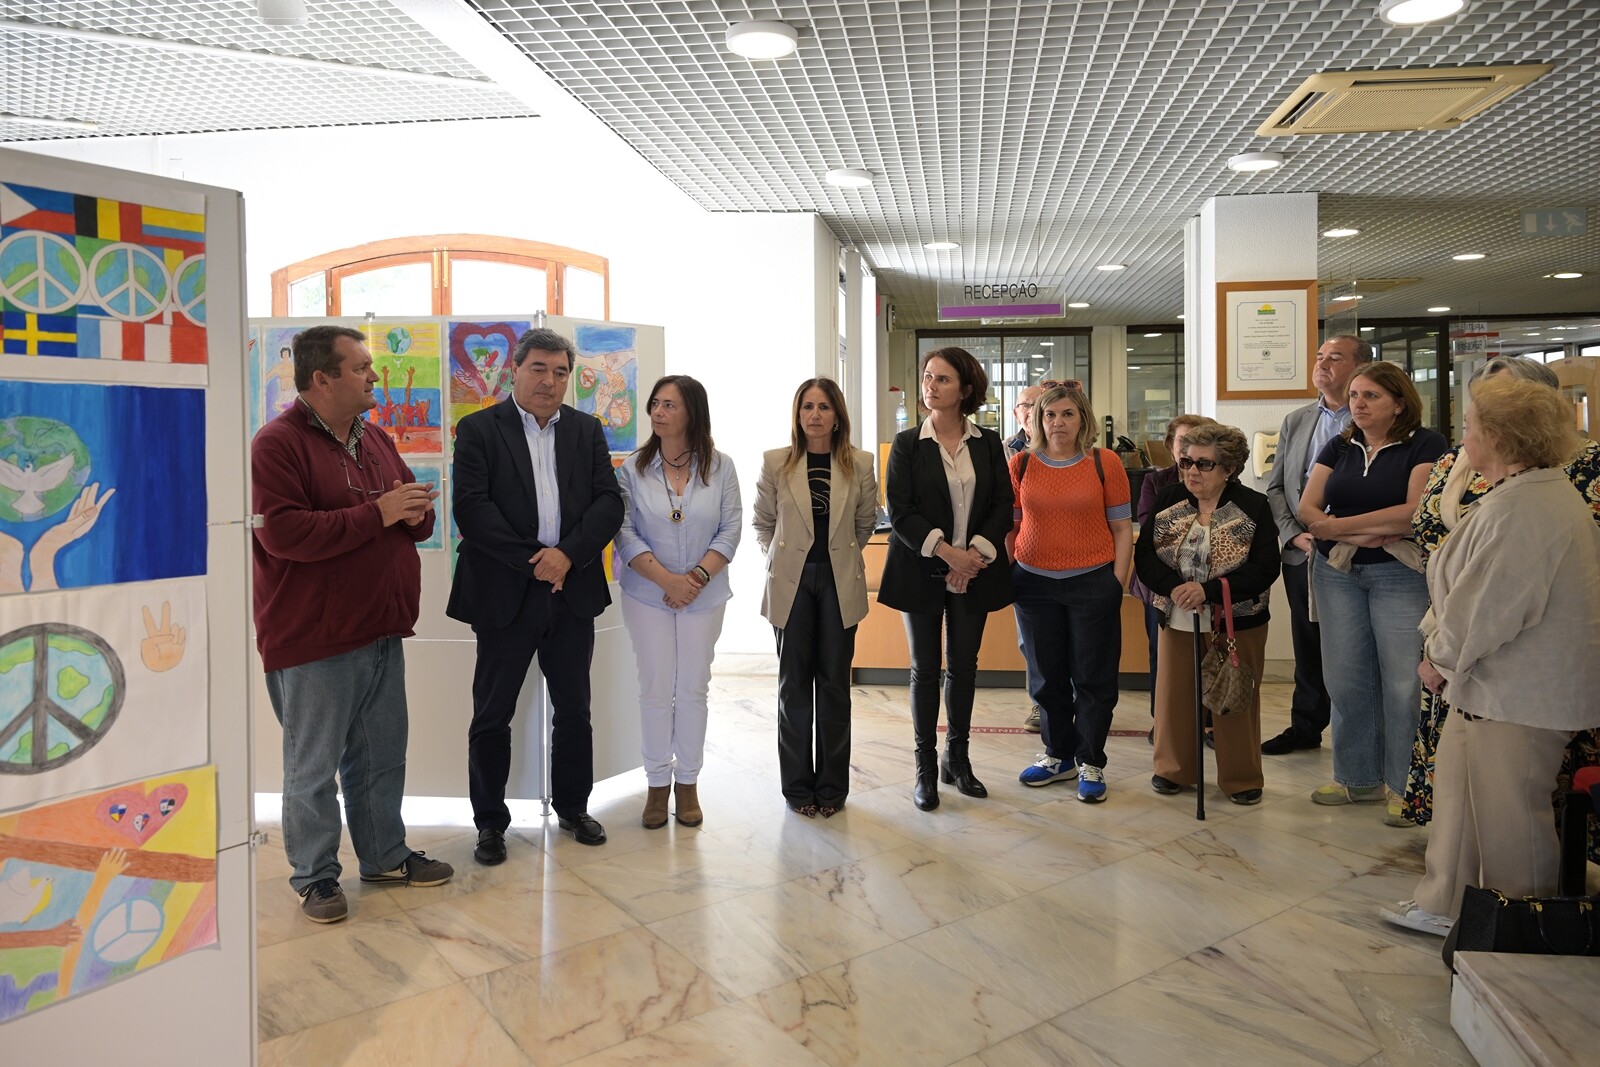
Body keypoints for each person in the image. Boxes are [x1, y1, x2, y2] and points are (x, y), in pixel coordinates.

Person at [1380, 376, 1600, 935]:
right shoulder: (1517, 493)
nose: (1463, 439)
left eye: (1471, 428)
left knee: (1510, 820)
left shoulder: (1530, 506)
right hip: (1486, 685)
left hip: (1518, 691)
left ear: (1500, 438)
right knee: (1458, 800)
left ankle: (1519, 925)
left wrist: (1440, 658)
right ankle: (1446, 903)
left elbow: (1490, 607)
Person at [252, 325, 453, 923]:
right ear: (322, 378)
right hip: (314, 636)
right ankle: (315, 877)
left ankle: (385, 856)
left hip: (381, 626)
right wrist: (380, 513)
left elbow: (404, 517)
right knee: (313, 768)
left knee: (381, 756)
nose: (373, 376)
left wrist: (414, 513)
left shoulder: (375, 437)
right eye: (361, 366)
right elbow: (284, 533)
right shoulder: (276, 444)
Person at [449, 327, 623, 861]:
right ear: (515, 371)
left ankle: (573, 807)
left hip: (572, 593)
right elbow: (472, 510)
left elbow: (608, 503)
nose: (550, 381)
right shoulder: (478, 429)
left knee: (575, 711)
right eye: (539, 369)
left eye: (560, 372)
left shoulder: (587, 430)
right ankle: (489, 824)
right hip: (505, 594)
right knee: (492, 715)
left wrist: (566, 555)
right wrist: (538, 562)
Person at [1297, 360, 1447, 820]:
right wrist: (1356, 533)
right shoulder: (1340, 445)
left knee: (1403, 683)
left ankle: (1405, 789)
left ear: (1399, 403)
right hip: (1338, 571)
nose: (1358, 404)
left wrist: (1338, 526)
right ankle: (1358, 779)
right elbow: (1308, 507)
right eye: (1354, 395)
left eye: (1370, 396)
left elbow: (1413, 512)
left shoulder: (1426, 443)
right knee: (1345, 678)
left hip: (1399, 573)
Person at [879, 347, 1015, 811]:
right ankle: (924, 766)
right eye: (927, 377)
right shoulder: (906, 443)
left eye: (942, 379)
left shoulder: (988, 443)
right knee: (925, 668)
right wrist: (948, 553)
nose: (930, 386)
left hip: (974, 571)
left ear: (966, 389)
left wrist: (972, 556)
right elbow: (900, 510)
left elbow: (1002, 505)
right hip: (920, 568)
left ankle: (957, 759)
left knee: (963, 666)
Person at [614, 375, 741, 829]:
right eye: (655, 403)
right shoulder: (632, 469)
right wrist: (668, 580)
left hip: (704, 597)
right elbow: (623, 531)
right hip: (647, 594)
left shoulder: (721, 467)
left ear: (693, 412)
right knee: (654, 689)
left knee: (692, 689)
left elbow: (731, 528)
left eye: (670, 404)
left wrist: (696, 579)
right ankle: (656, 784)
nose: (658, 411)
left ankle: (687, 782)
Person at [753, 378, 878, 818]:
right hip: (791, 582)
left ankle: (831, 789)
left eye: (824, 407)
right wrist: (784, 560)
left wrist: (838, 558)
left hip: (838, 581)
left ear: (837, 415)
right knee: (793, 689)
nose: (815, 415)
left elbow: (865, 523)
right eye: (807, 406)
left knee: (834, 688)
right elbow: (763, 523)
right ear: (797, 414)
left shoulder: (860, 463)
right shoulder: (776, 461)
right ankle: (797, 788)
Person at [1136, 425, 1280, 804]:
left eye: (1204, 464)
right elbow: (1145, 556)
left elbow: (1265, 567)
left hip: (1236, 621)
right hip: (1177, 617)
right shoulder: (1169, 499)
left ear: (1229, 468)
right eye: (1186, 462)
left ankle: (1241, 777)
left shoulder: (1253, 505)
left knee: (1234, 696)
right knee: (1175, 698)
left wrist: (1209, 590)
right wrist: (1175, 588)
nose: (1192, 472)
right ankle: (1173, 769)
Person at [1008, 382, 1132, 803]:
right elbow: (1012, 526)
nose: (1058, 422)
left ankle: (1090, 759)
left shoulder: (1104, 462)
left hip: (1093, 581)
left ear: (1083, 419)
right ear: (1036, 420)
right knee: (1046, 677)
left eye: (1067, 414)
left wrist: (1116, 582)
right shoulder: (1022, 464)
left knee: (1094, 677)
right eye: (1049, 414)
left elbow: (1121, 528)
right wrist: (1012, 570)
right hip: (1033, 583)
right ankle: (1057, 755)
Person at [1262, 334, 1372, 755]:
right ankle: (1305, 728)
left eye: (1335, 358)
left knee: (1354, 646)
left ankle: (1359, 737)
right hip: (1303, 550)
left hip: (1360, 548)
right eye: (1319, 356)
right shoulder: (1297, 420)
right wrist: (1293, 533)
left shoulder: (1372, 418)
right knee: (1308, 642)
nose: (1322, 364)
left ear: (1360, 368)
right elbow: (1276, 488)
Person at [1132, 414, 1217, 731]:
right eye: (1183, 441)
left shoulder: (1225, 482)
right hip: (1161, 584)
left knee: (1210, 652)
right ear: (1171, 446)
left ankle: (1209, 721)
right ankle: (1165, 722)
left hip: (1210, 584)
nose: (1190, 449)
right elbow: (1152, 532)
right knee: (1163, 656)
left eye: (1199, 440)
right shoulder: (1156, 483)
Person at [1005, 382, 1045, 732]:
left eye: (1038, 404)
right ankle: (1040, 704)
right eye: (1024, 406)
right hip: (1024, 557)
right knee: (1030, 640)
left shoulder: (1070, 446)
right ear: (1016, 413)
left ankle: (1072, 702)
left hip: (1072, 559)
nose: (1030, 411)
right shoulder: (1005, 451)